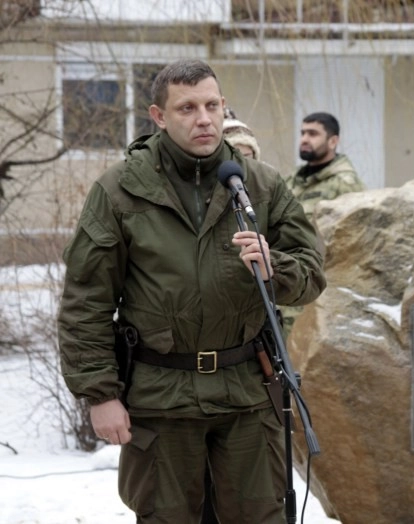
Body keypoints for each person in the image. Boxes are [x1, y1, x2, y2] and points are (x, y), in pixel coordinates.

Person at [57, 59, 326, 523]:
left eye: (211, 105)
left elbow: (311, 274)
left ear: (223, 107)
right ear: (159, 116)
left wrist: (274, 267)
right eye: (186, 108)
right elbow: (86, 299)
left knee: (260, 517)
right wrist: (100, 394)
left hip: (247, 393)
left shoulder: (258, 185)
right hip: (162, 398)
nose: (203, 118)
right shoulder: (121, 191)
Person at [281, 112, 366, 338]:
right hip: (286, 290)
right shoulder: (292, 181)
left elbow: (353, 247)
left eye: (313, 133)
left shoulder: (345, 184)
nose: (305, 139)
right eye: (302, 133)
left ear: (333, 141)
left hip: (318, 299)